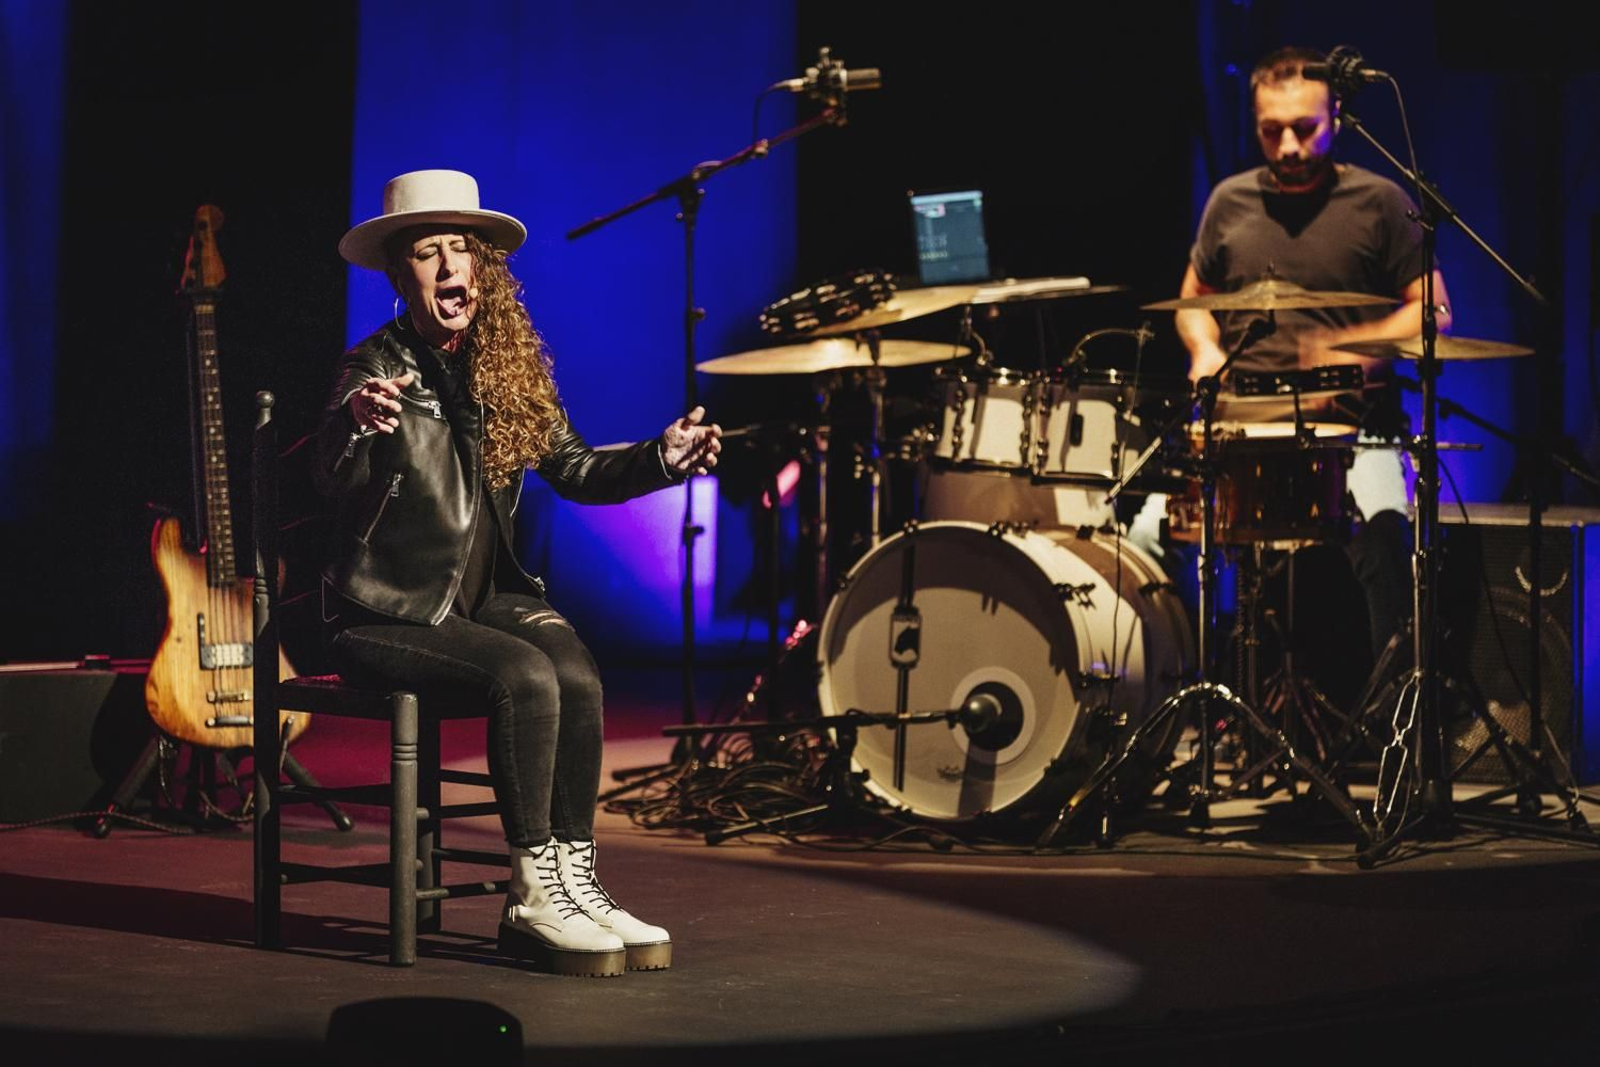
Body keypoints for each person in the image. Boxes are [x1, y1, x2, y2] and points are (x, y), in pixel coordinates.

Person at [314, 169, 721, 978]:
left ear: (483, 267)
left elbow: (572, 467)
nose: (447, 266)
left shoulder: (507, 368)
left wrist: (661, 459)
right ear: (402, 276)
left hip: (478, 599)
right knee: (525, 677)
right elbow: (326, 473)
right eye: (426, 253)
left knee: (574, 668)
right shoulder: (374, 370)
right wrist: (357, 426)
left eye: (459, 249)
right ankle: (533, 894)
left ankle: (576, 880)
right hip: (383, 612)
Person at [1158, 45, 1452, 669]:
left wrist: (1351, 350)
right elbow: (1191, 299)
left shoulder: (1378, 202)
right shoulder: (1229, 203)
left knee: (1385, 542)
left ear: (1336, 117)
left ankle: (1384, 727)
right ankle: (1188, 700)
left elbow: (1433, 310)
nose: (1288, 146)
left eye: (1304, 129)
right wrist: (1205, 346)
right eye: (1271, 131)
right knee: (1149, 539)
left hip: (1350, 429)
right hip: (1242, 426)